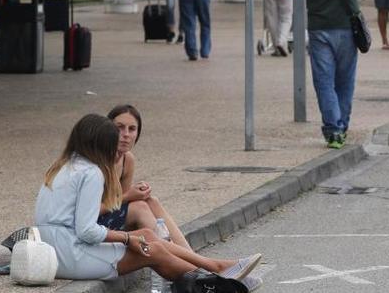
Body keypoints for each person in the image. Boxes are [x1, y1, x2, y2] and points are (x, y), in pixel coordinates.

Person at [34, 113, 262, 286]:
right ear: (100, 144)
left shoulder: (64, 166)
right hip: (72, 255)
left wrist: (131, 237)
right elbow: (86, 231)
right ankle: (218, 277)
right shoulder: (91, 172)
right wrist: (126, 238)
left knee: (148, 237)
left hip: (55, 251)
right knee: (152, 250)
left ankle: (218, 275)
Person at [294, 0, 362, 149]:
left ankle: (333, 131)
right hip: (347, 26)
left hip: (319, 28)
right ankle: (342, 126)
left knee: (324, 81)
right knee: (345, 80)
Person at [98, 105, 192, 251]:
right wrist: (129, 195)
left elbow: (122, 203)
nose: (126, 134)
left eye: (132, 129)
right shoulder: (97, 162)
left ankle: (190, 255)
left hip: (110, 219)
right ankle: (181, 259)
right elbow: (88, 212)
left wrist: (138, 193)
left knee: (150, 200)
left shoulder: (127, 159)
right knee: (139, 207)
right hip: (90, 226)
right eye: (119, 128)